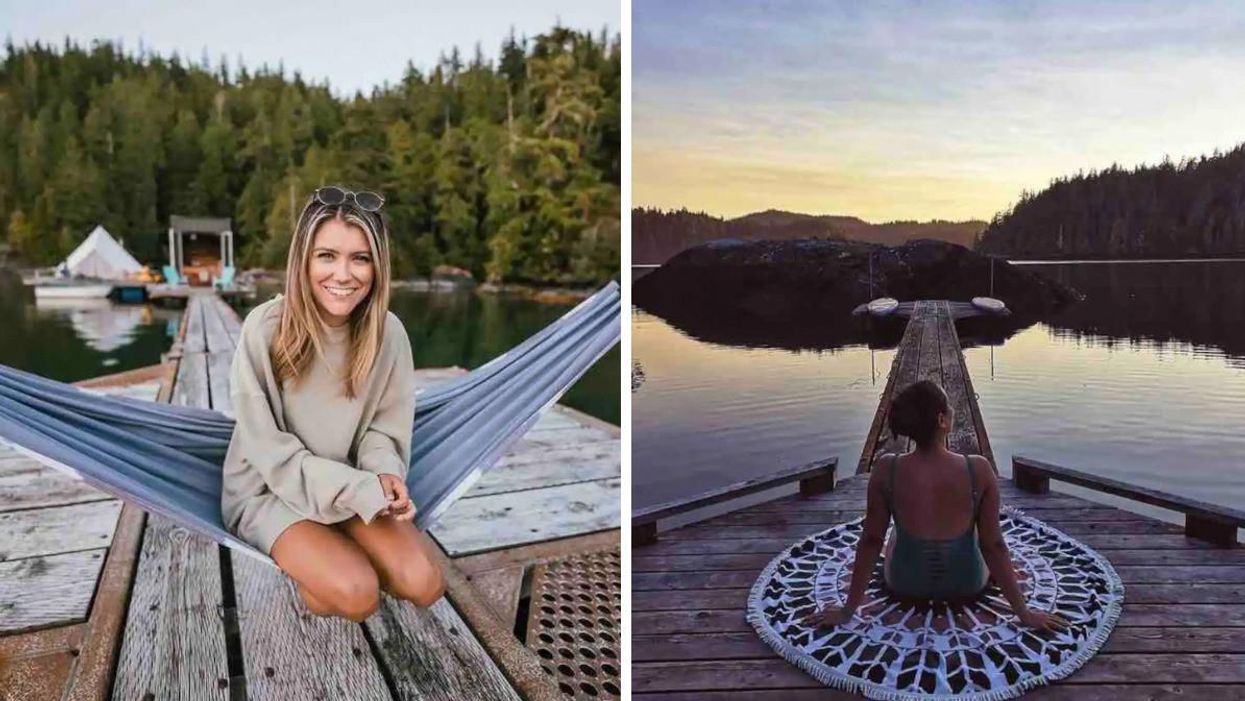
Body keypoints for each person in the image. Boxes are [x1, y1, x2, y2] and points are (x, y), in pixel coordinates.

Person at [221, 185, 445, 622]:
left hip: (350, 485)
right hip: (268, 489)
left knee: (424, 584)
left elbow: (383, 426)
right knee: (358, 596)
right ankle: (322, 564)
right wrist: (358, 490)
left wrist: (384, 474)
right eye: (327, 256)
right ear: (303, 260)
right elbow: (269, 451)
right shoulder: (265, 329)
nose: (343, 274)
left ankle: (333, 550)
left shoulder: (389, 333)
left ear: (377, 267)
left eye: (360, 258)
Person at [808, 379, 1068, 631]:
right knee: (978, 530)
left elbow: (871, 540)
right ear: (942, 420)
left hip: (904, 581)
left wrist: (847, 611)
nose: (953, 410)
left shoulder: (886, 468)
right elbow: (994, 545)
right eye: (948, 406)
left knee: (894, 533)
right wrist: (1024, 613)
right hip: (968, 582)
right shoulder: (978, 469)